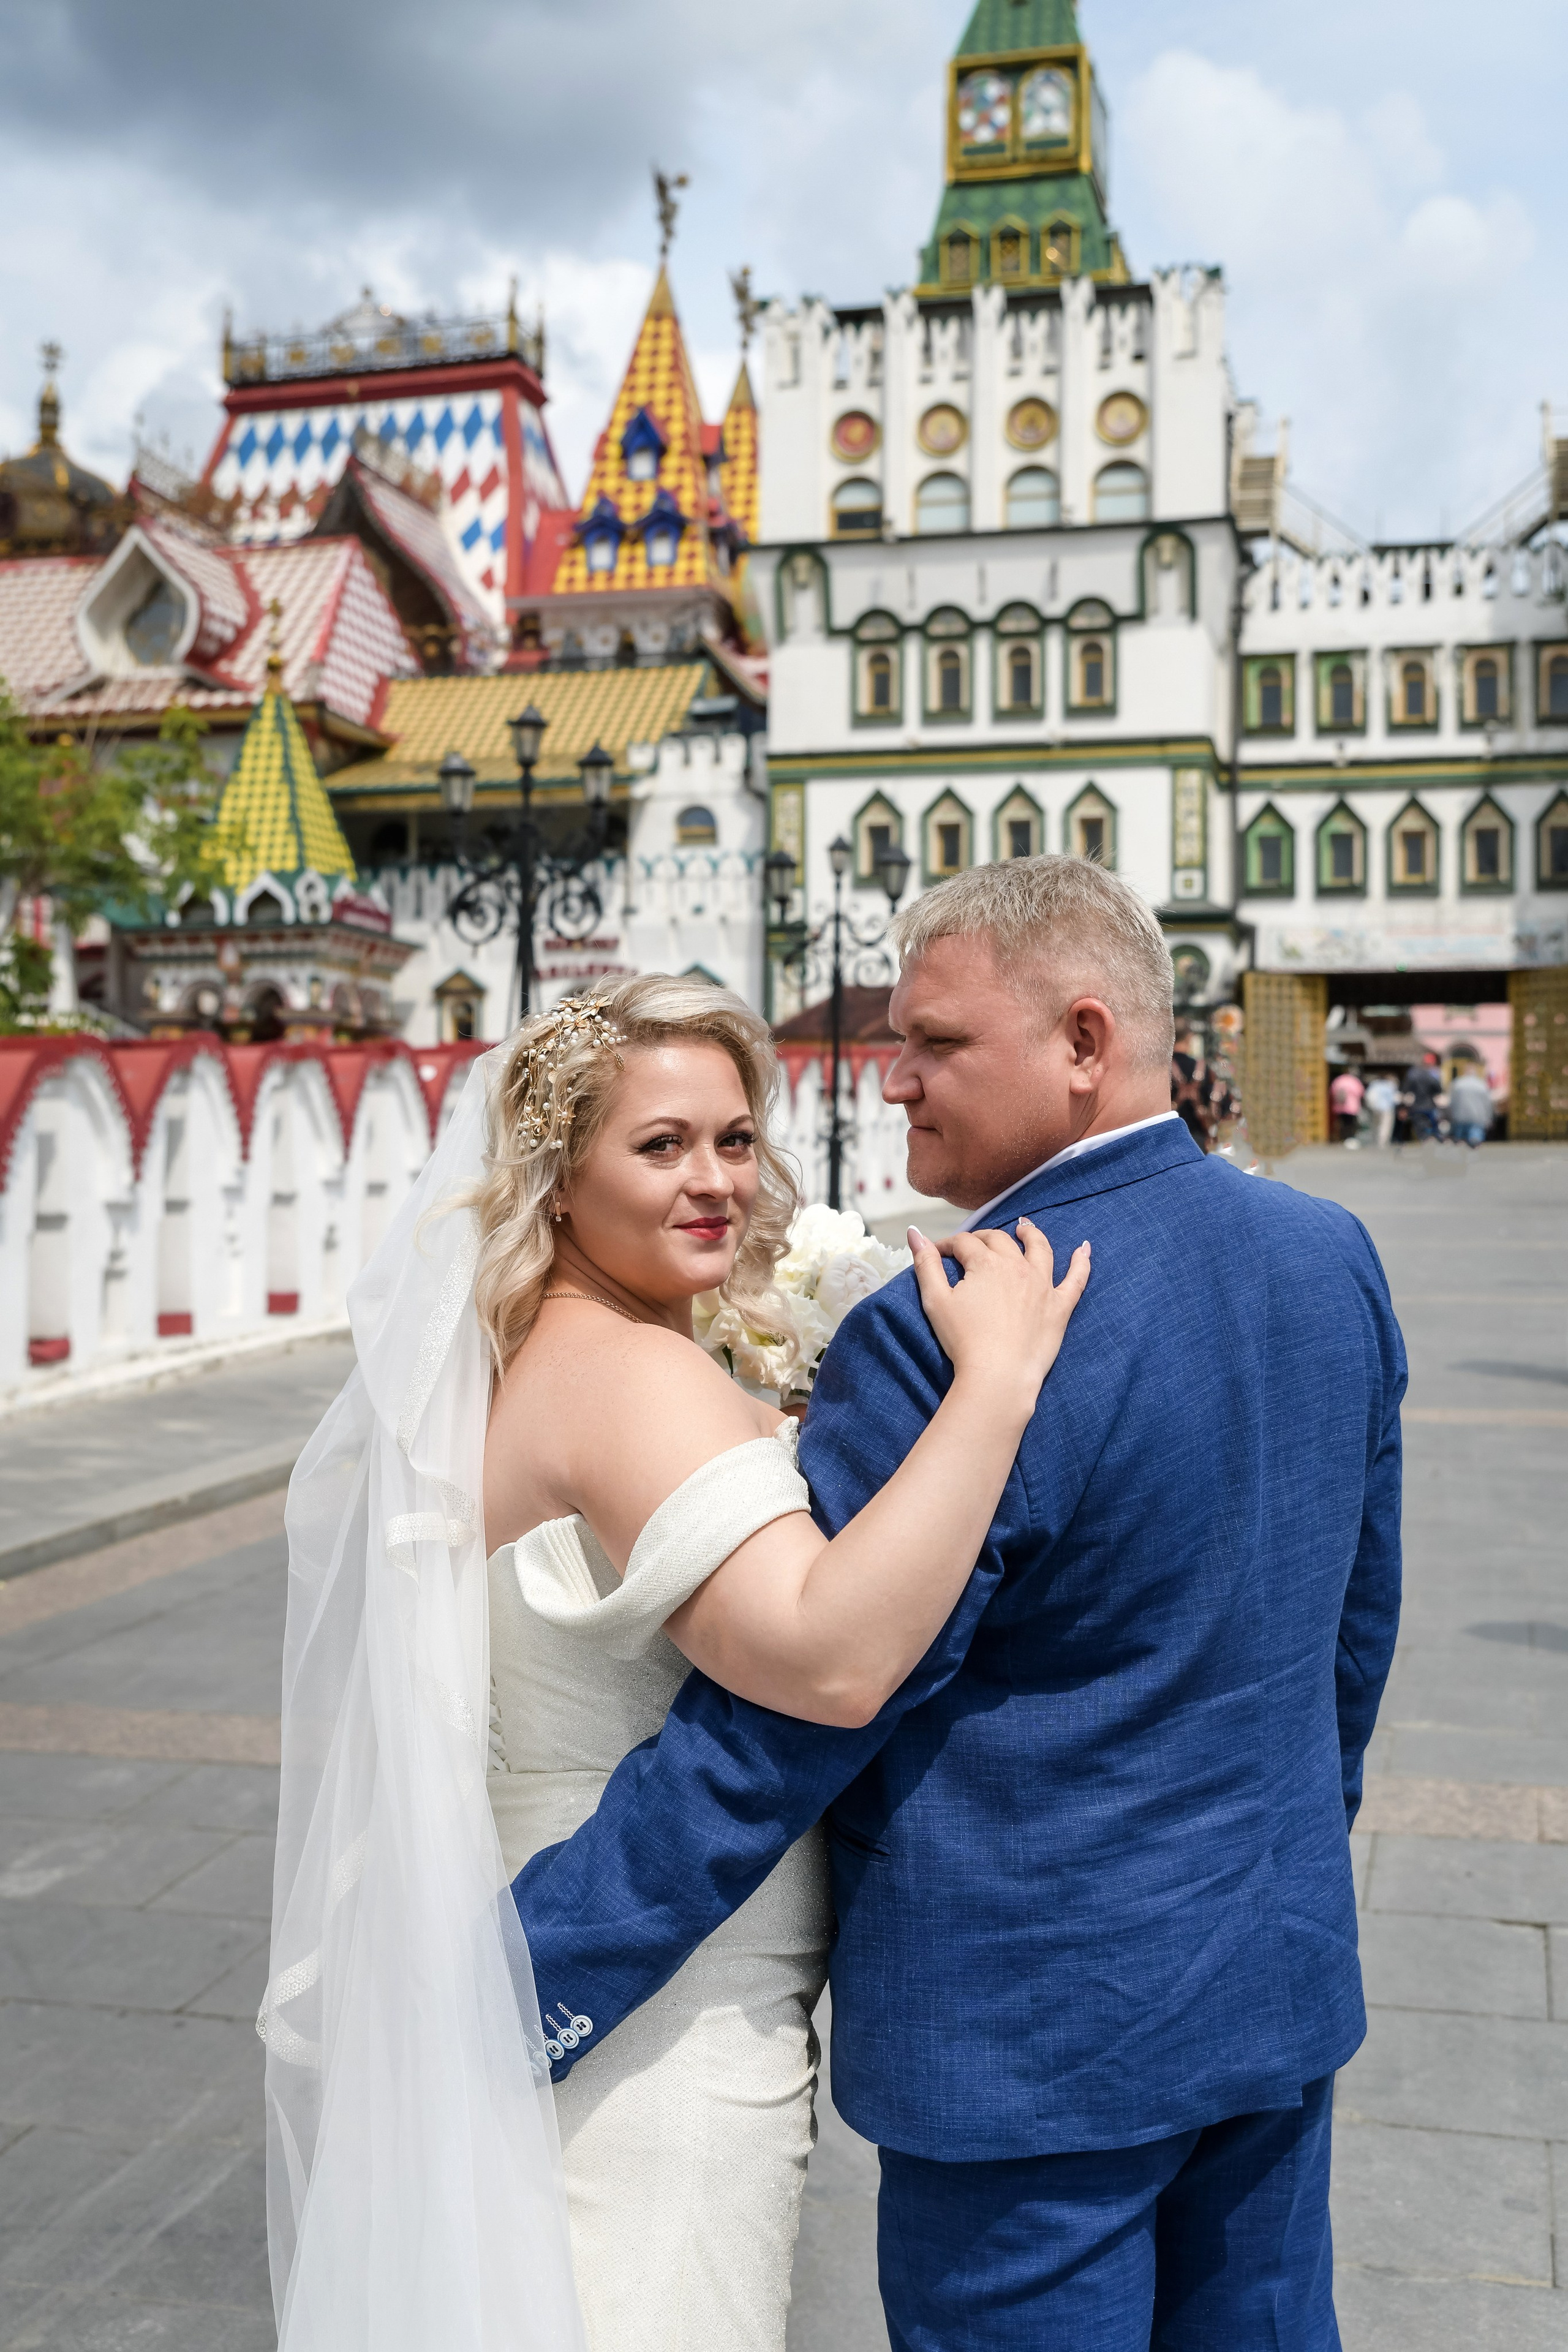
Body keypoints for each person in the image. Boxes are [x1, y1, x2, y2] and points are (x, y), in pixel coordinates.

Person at [516, 856, 1406, 2351]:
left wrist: (523, 1973)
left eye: (933, 1042)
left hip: (1026, 2043)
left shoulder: (940, 1334)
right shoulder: (1326, 1257)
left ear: (1077, 1040)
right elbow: (1349, 1640)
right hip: (1268, 1985)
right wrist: (1268, 1863)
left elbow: (775, 1731)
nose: (892, 1078)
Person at [261, 974, 1088, 2352]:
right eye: (659, 1147)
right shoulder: (631, 1378)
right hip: (660, 2018)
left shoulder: (544, 1351)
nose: (712, 1181)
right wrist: (995, 1386)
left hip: (557, 1969)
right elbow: (827, 1659)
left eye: (734, 1138)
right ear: (555, 1173)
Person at [1446, 1063, 1494, 1147]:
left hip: (1460, 1117)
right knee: (1475, 1141)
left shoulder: (1457, 1084)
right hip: (1477, 1117)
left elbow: (1452, 1102)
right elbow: (1487, 1103)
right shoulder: (1482, 1085)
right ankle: (1474, 1157)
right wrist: (1489, 1117)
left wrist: (1451, 1116)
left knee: (1460, 1142)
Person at [1403, 1050, 1444, 1141]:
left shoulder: (1413, 1073)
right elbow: (1439, 1089)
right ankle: (1431, 1139)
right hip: (1430, 1105)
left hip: (1417, 1105)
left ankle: (1424, 1140)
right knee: (1433, 1125)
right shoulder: (1433, 1074)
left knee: (1420, 1127)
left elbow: (1406, 1089)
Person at [1329, 1064, 1365, 1146]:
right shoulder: (1354, 1081)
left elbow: (1332, 1092)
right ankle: (1350, 1139)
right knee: (1351, 1124)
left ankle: (1342, 1138)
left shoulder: (1338, 1080)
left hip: (1339, 1107)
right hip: (1352, 1107)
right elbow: (1360, 1092)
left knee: (1342, 1123)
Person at [1364, 1071, 1399, 1148]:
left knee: (1375, 1125)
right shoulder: (1390, 1085)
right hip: (1387, 1108)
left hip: (1375, 1108)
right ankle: (1382, 1142)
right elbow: (1395, 1098)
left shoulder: (1374, 1084)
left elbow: (1368, 1095)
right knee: (1385, 1126)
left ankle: (1375, 1141)